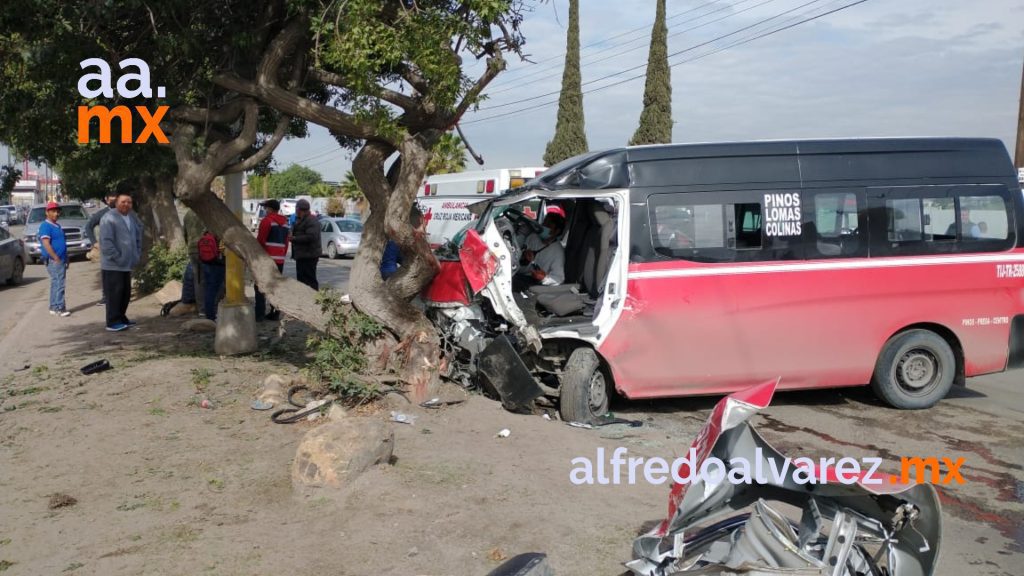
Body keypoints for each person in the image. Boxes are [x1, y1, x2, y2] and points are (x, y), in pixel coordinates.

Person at [99, 192, 143, 332]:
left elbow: (138, 236)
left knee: (125, 294)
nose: (126, 204)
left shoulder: (131, 217)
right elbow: (106, 242)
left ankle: (121, 318)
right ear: (116, 203)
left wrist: (136, 255)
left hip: (127, 264)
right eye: (123, 202)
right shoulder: (108, 218)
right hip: (113, 265)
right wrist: (117, 257)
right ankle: (112, 322)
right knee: (114, 294)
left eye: (129, 202)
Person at [513, 209, 566, 292]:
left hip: (536, 284)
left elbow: (558, 279)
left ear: (557, 231)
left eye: (548, 225)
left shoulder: (558, 251)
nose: (544, 227)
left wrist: (544, 278)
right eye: (544, 224)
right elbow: (519, 263)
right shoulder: (533, 237)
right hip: (520, 275)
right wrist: (523, 257)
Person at [255, 199, 290, 321]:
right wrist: (282, 255)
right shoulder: (285, 223)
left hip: (267, 258)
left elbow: (261, 240)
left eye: (266, 208)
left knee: (260, 286)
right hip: (279, 259)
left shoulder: (267, 221)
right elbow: (286, 242)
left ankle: (259, 314)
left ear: (270, 209)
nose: (265, 210)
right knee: (275, 286)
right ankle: (275, 312)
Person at [38, 201, 71, 317]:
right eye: (53, 211)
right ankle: (59, 308)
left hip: (60, 258)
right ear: (47, 212)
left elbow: (62, 243)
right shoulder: (45, 226)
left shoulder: (57, 226)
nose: (56, 214)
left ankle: (53, 306)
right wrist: (55, 257)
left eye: (57, 211)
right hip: (54, 260)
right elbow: (46, 243)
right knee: (59, 283)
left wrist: (66, 257)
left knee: (55, 283)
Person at [85, 193, 117, 306]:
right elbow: (88, 227)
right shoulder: (102, 214)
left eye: (115, 199)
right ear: (107, 200)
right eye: (111, 199)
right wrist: (94, 242)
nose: (113, 201)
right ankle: (106, 298)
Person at [380, 206, 424, 280]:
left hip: (383, 270)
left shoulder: (388, 237)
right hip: (389, 270)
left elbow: (398, 257)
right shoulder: (397, 238)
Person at [289, 198, 321, 290]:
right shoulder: (300, 219)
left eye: (296, 208)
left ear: (299, 209)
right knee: (302, 280)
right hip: (302, 255)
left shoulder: (311, 220)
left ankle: (314, 297)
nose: (296, 211)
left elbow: (311, 236)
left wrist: (295, 239)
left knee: (309, 280)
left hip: (309, 255)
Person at [198, 231, 226, 321]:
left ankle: (209, 314)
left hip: (206, 263)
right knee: (215, 290)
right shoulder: (219, 234)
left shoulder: (205, 234)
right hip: (217, 264)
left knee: (209, 290)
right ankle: (212, 315)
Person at [182, 209, 206, 314]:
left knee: (198, 280)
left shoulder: (187, 214)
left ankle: (201, 309)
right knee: (208, 279)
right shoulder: (206, 212)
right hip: (206, 249)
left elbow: (185, 234)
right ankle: (207, 308)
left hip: (192, 250)